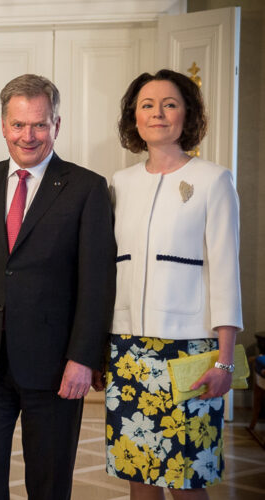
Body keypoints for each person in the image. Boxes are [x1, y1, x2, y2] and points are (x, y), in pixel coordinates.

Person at [0, 74, 116, 499]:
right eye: (18, 125)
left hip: (55, 366)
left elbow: (97, 282)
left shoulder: (87, 188)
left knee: (49, 480)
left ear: (57, 125)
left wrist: (83, 358)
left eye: (39, 124)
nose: (28, 135)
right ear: (3, 125)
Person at [103, 69, 242, 499]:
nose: (158, 113)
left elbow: (225, 271)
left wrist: (224, 360)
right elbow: (106, 271)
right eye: (147, 105)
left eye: (170, 104)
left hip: (191, 351)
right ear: (134, 117)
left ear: (187, 114)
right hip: (127, 351)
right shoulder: (117, 184)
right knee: (139, 475)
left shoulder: (214, 180)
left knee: (187, 480)